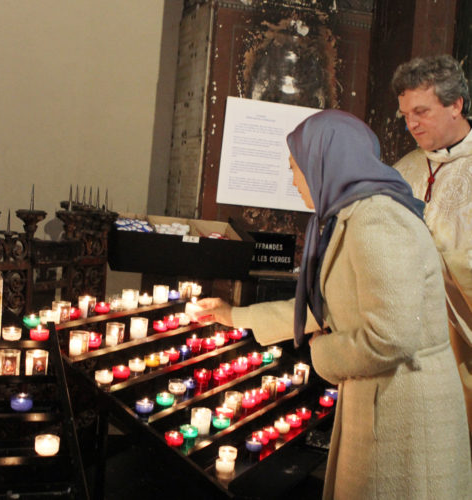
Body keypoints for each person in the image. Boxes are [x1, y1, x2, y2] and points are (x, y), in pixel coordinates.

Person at [197, 110, 472, 499]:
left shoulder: (377, 219)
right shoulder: (351, 215)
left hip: (405, 412)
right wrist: (232, 315)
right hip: (382, 398)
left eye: (296, 167)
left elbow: (391, 337)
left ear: (325, 164)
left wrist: (322, 353)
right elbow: (326, 305)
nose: (294, 180)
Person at [392, 54, 472, 441]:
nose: (412, 123)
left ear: (456, 104)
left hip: (461, 340)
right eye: (406, 114)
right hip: (402, 338)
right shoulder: (401, 169)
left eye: (421, 111)